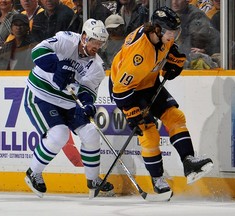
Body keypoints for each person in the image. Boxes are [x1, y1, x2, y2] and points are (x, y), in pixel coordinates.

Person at [109, 6, 213, 194]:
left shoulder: (160, 36)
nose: (174, 36)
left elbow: (168, 51)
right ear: (157, 29)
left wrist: (174, 61)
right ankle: (157, 178)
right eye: (171, 32)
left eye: (175, 32)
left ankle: (189, 162)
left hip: (148, 82)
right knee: (148, 132)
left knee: (175, 117)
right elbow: (119, 88)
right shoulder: (138, 56)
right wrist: (132, 112)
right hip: (128, 91)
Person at [23, 18, 114, 197]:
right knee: (59, 134)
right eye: (94, 41)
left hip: (69, 102)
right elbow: (37, 51)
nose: (97, 46)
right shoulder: (66, 40)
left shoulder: (97, 66)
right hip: (41, 96)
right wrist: (57, 67)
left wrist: (88, 105)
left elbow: (87, 91)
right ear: (85, 37)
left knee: (91, 132)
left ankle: (93, 180)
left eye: (101, 43)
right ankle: (33, 172)